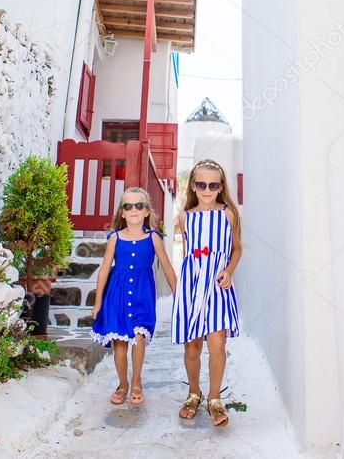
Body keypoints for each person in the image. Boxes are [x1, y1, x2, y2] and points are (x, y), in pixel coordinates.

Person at [172, 158, 242, 426]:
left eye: (213, 185)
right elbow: (189, 254)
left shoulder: (228, 214)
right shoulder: (184, 217)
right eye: (201, 184)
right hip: (192, 285)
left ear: (221, 186)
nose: (207, 189)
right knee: (192, 345)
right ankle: (194, 392)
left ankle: (214, 398)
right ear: (193, 185)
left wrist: (230, 270)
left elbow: (236, 248)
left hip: (217, 284)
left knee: (217, 343)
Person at [91, 187, 177, 405]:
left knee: (139, 338)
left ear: (147, 211)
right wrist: (98, 301)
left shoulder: (154, 239)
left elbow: (167, 268)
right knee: (120, 343)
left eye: (139, 205)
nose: (134, 210)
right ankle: (122, 383)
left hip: (142, 295)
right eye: (128, 206)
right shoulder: (115, 238)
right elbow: (103, 270)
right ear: (122, 213)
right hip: (116, 295)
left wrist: (179, 297)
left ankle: (136, 379)